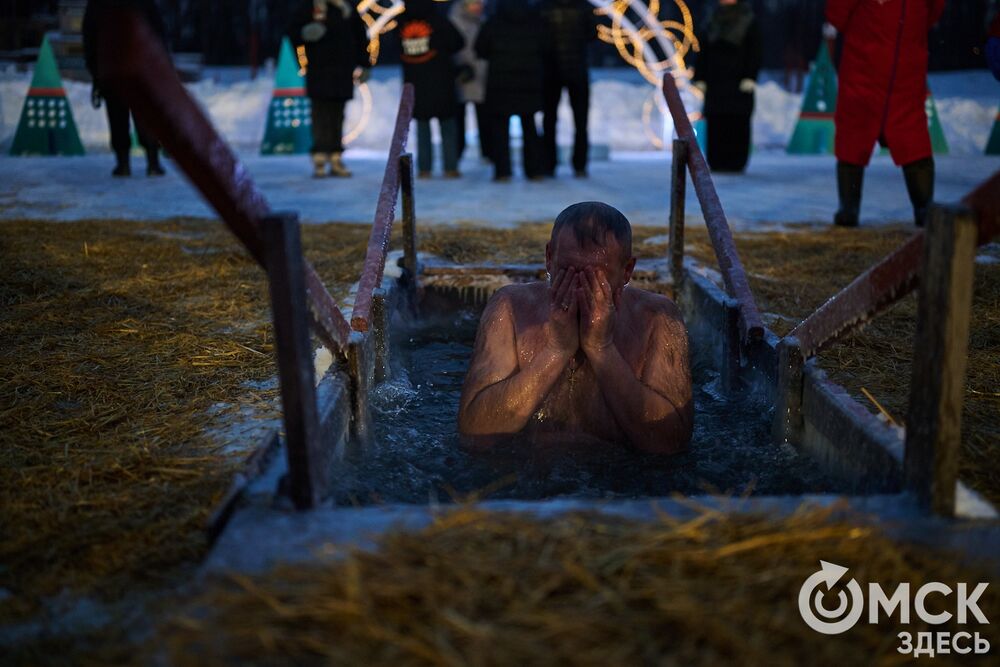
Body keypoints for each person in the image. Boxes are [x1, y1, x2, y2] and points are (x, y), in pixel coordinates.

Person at [458, 202, 693, 453]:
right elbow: (476, 432)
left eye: (597, 278)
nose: (580, 288)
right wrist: (556, 351)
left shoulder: (657, 318)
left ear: (626, 271)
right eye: (568, 272)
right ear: (549, 258)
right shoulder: (510, 308)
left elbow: (671, 444)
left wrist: (602, 349)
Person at [825, 0, 946, 227]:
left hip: (905, 71)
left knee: (913, 138)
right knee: (854, 136)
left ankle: (924, 208)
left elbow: (933, 11)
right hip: (863, 71)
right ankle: (848, 208)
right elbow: (836, 13)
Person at [83, 0, 167, 177]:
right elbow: (158, 32)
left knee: (117, 117)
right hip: (139, 68)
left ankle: (124, 164)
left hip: (111, 68)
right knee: (145, 117)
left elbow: (89, 37)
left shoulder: (98, 5)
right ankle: (152, 163)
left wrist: (96, 71)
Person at [290, 0, 370, 178]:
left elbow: (360, 36)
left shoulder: (346, 8)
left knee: (337, 114)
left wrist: (364, 64)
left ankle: (335, 156)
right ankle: (319, 156)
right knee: (320, 113)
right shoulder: (310, 7)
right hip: (319, 70)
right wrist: (305, 33)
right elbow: (293, 32)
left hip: (342, 70)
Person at [475, 0, 546, 181]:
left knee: (500, 130)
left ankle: (502, 171)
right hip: (528, 82)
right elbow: (547, 48)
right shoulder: (535, 22)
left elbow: (480, 49)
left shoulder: (493, 22)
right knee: (529, 127)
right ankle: (535, 170)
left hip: (500, 83)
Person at [691, 0, 762, 173]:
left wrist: (750, 76)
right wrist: (700, 77)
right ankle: (717, 161)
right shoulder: (711, 19)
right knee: (716, 123)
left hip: (738, 83)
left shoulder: (748, 19)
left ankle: (736, 162)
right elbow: (703, 50)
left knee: (737, 123)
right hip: (716, 82)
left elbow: (755, 50)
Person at [399, 0, 465, 178]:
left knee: (422, 126)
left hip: (415, 83)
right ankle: (451, 167)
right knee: (448, 126)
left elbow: (396, 49)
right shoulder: (439, 21)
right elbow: (458, 42)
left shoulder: (401, 22)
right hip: (441, 79)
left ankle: (424, 169)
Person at [540, 0, 597, 178]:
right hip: (577, 70)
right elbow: (592, 35)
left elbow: (539, 38)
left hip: (551, 71)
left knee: (549, 120)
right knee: (580, 122)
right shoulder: (584, 7)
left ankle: (549, 164)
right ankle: (579, 165)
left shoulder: (544, 7)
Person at [449, 0, 491, 162]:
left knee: (484, 115)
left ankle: (487, 151)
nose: (479, 7)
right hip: (462, 74)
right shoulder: (455, 20)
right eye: (475, 3)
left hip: (481, 74)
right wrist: (461, 66)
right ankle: (457, 151)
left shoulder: (484, 20)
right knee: (459, 116)